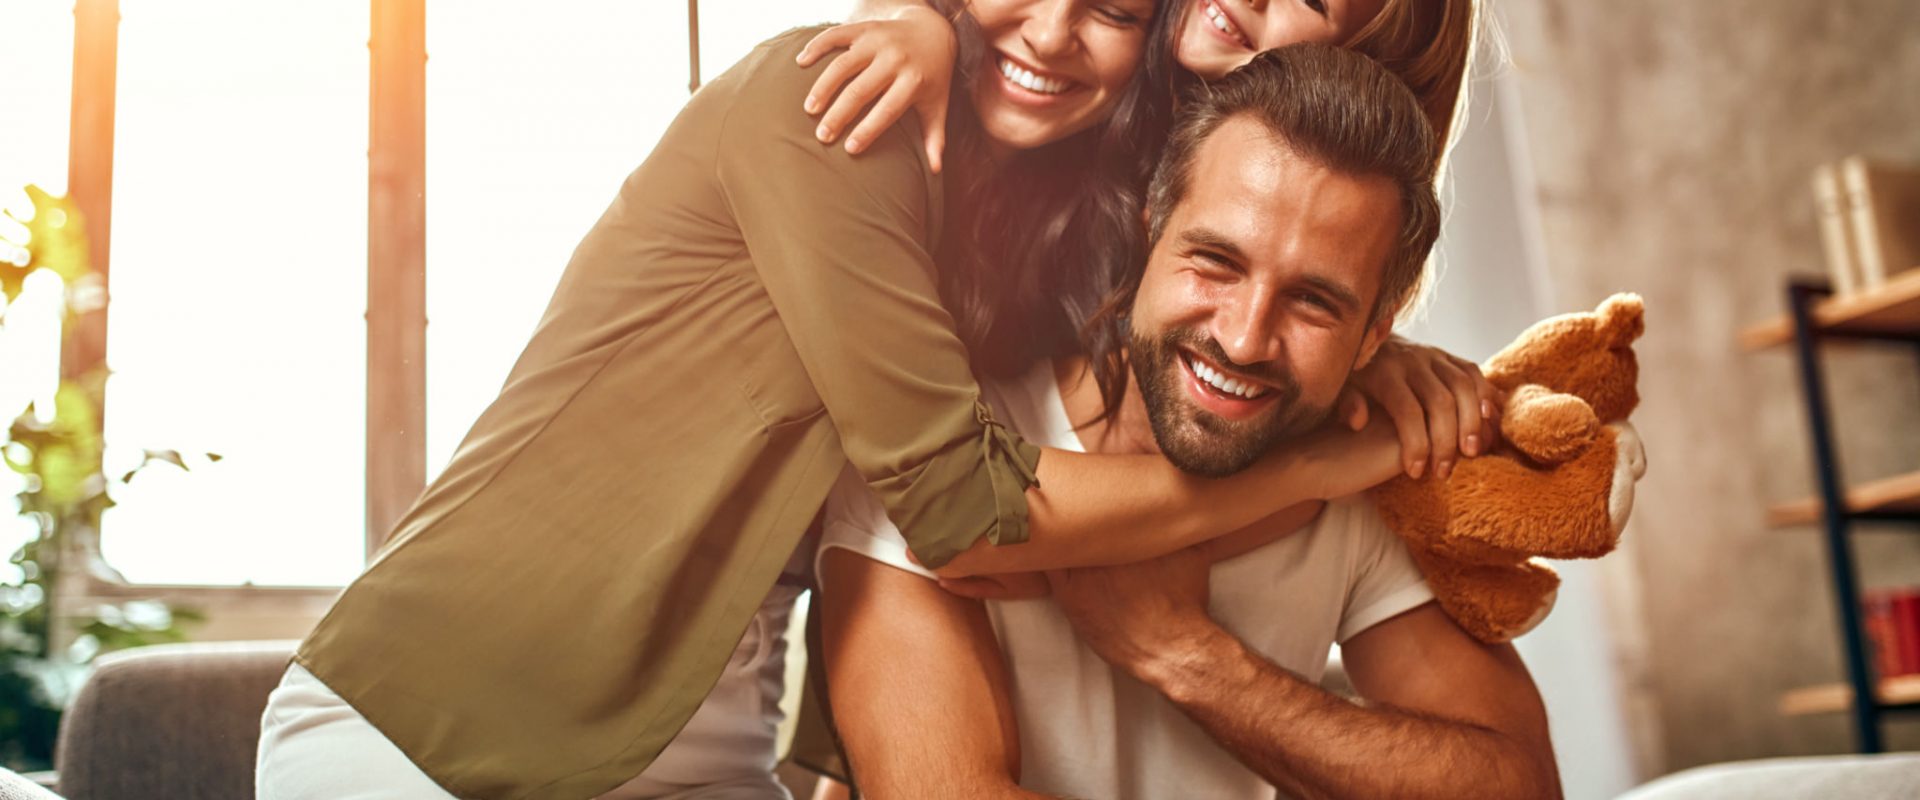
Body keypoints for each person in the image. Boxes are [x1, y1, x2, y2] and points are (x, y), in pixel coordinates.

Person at [255, 2, 1475, 798]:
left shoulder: (1053, 227)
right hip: (434, 731)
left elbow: (1220, 303)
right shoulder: (824, 100)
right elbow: (960, 504)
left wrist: (1365, 372)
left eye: (1108, 9)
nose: (1050, 33)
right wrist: (1318, 465)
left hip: (701, 747)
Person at [816, 45, 1560, 800]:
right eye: (1215, 262)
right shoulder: (940, 460)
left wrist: (1186, 653)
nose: (1242, 338)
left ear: (1376, 335)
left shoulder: (1361, 477)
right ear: (1148, 234)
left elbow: (1518, 787)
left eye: (1314, 301)